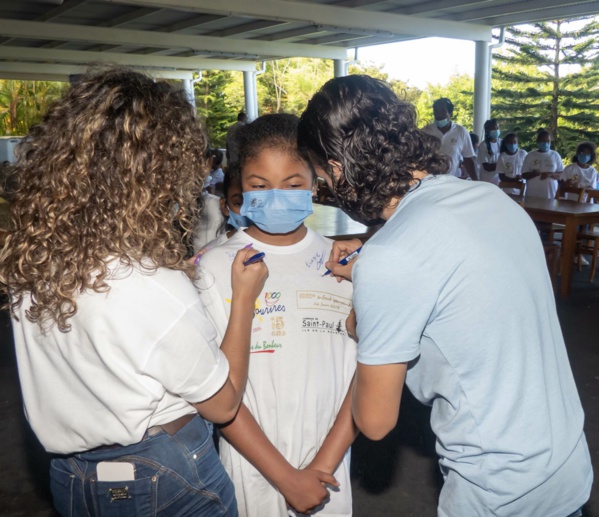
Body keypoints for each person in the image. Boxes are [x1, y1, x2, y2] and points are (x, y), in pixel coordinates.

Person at [297, 75, 592, 517]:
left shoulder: (391, 260)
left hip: (498, 491)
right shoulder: (493, 200)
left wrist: (363, 319)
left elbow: (375, 422)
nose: (326, 190)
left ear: (338, 168)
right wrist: (374, 250)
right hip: (567, 465)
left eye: (322, 179)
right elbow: (456, 268)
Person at [0, 68, 269, 516]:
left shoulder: (35, 259)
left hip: (74, 476)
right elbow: (223, 403)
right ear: (161, 174)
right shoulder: (150, 287)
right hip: (165, 476)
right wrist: (244, 299)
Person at [198, 113, 357, 517]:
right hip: (251, 466)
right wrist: (285, 477)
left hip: (331, 465)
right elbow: (216, 391)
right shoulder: (216, 266)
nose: (277, 197)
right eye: (259, 186)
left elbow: (365, 374)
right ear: (240, 188)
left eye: (293, 185)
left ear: (314, 183)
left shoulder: (344, 263)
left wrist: (321, 467)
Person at [423, 97, 477, 180]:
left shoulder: (461, 131)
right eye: (436, 111)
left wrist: (475, 180)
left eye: (442, 111)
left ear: (450, 113)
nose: (439, 115)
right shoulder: (426, 131)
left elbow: (468, 159)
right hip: (428, 181)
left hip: (451, 181)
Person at [521, 129, 564, 198]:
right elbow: (524, 175)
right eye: (543, 141)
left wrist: (550, 174)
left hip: (550, 195)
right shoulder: (530, 155)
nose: (546, 143)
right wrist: (534, 174)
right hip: (532, 195)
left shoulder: (555, 155)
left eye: (548, 141)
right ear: (537, 141)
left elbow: (562, 174)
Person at [477, 119, 502, 184]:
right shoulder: (484, 145)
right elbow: (487, 167)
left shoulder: (501, 142)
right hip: (487, 180)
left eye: (497, 128)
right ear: (488, 130)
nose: (496, 131)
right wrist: (502, 165)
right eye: (494, 129)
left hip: (500, 181)